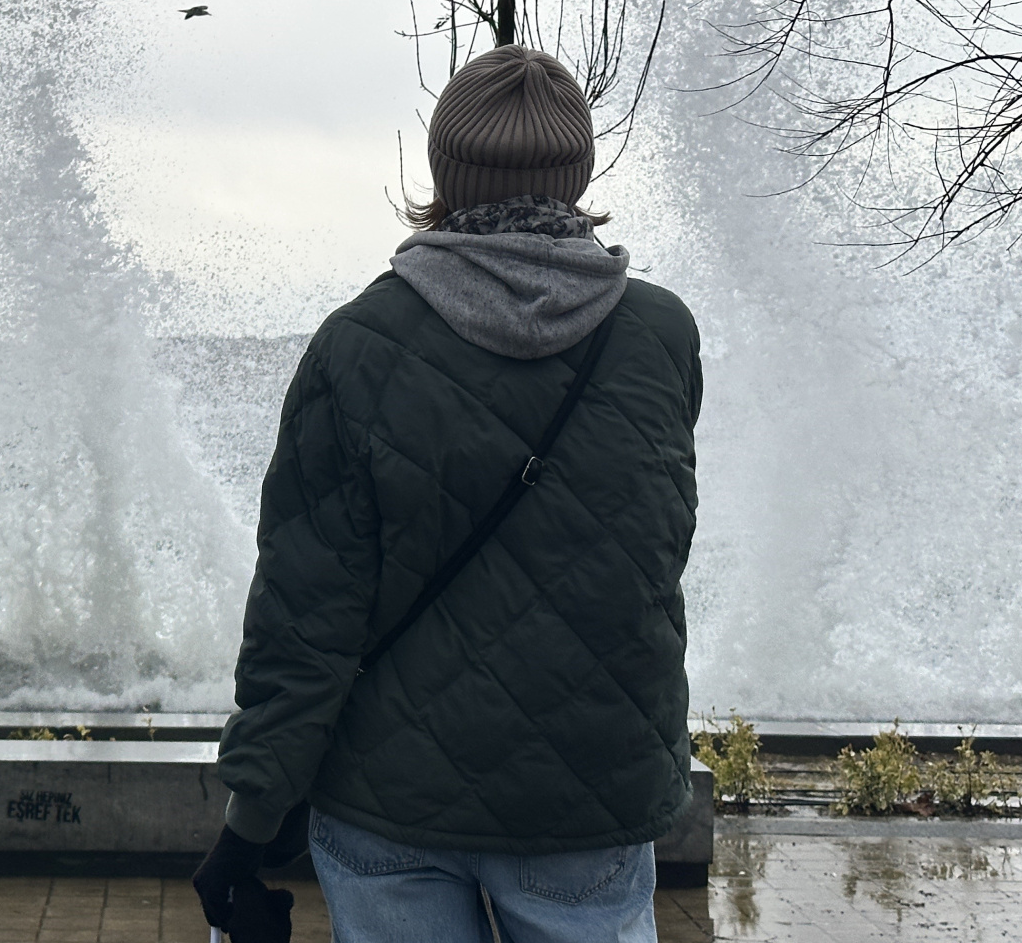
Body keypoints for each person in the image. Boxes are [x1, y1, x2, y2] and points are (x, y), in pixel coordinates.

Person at [194, 46, 702, 942]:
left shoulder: (355, 346)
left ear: (443, 174)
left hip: (390, 797)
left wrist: (252, 815)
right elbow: (647, 560)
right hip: (587, 798)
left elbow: (305, 616)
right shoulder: (658, 337)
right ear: (577, 174)